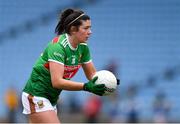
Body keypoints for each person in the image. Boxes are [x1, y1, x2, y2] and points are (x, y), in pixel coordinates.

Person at [21, 8, 107, 123]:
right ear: (73, 29)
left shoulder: (83, 47)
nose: (90, 31)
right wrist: (86, 87)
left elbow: (92, 74)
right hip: (36, 94)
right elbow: (57, 82)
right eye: (86, 28)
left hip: (51, 99)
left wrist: (106, 81)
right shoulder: (58, 47)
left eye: (90, 28)